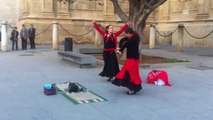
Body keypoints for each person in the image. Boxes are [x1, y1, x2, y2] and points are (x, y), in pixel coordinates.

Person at [112, 27, 142, 95]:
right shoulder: (133, 36)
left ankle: (132, 89)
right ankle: (134, 88)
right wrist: (120, 47)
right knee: (128, 72)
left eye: (126, 34)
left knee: (131, 73)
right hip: (132, 59)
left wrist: (120, 50)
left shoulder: (134, 39)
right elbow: (123, 40)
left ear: (128, 33)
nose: (126, 36)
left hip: (133, 59)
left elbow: (126, 44)